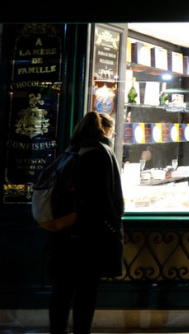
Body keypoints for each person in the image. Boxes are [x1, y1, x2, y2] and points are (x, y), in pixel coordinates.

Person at [48, 111, 123, 334]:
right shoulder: (101, 153)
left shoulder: (70, 151)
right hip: (89, 233)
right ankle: (82, 331)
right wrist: (112, 226)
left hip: (63, 230)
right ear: (106, 131)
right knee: (86, 290)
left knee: (61, 288)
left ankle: (57, 331)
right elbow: (104, 198)